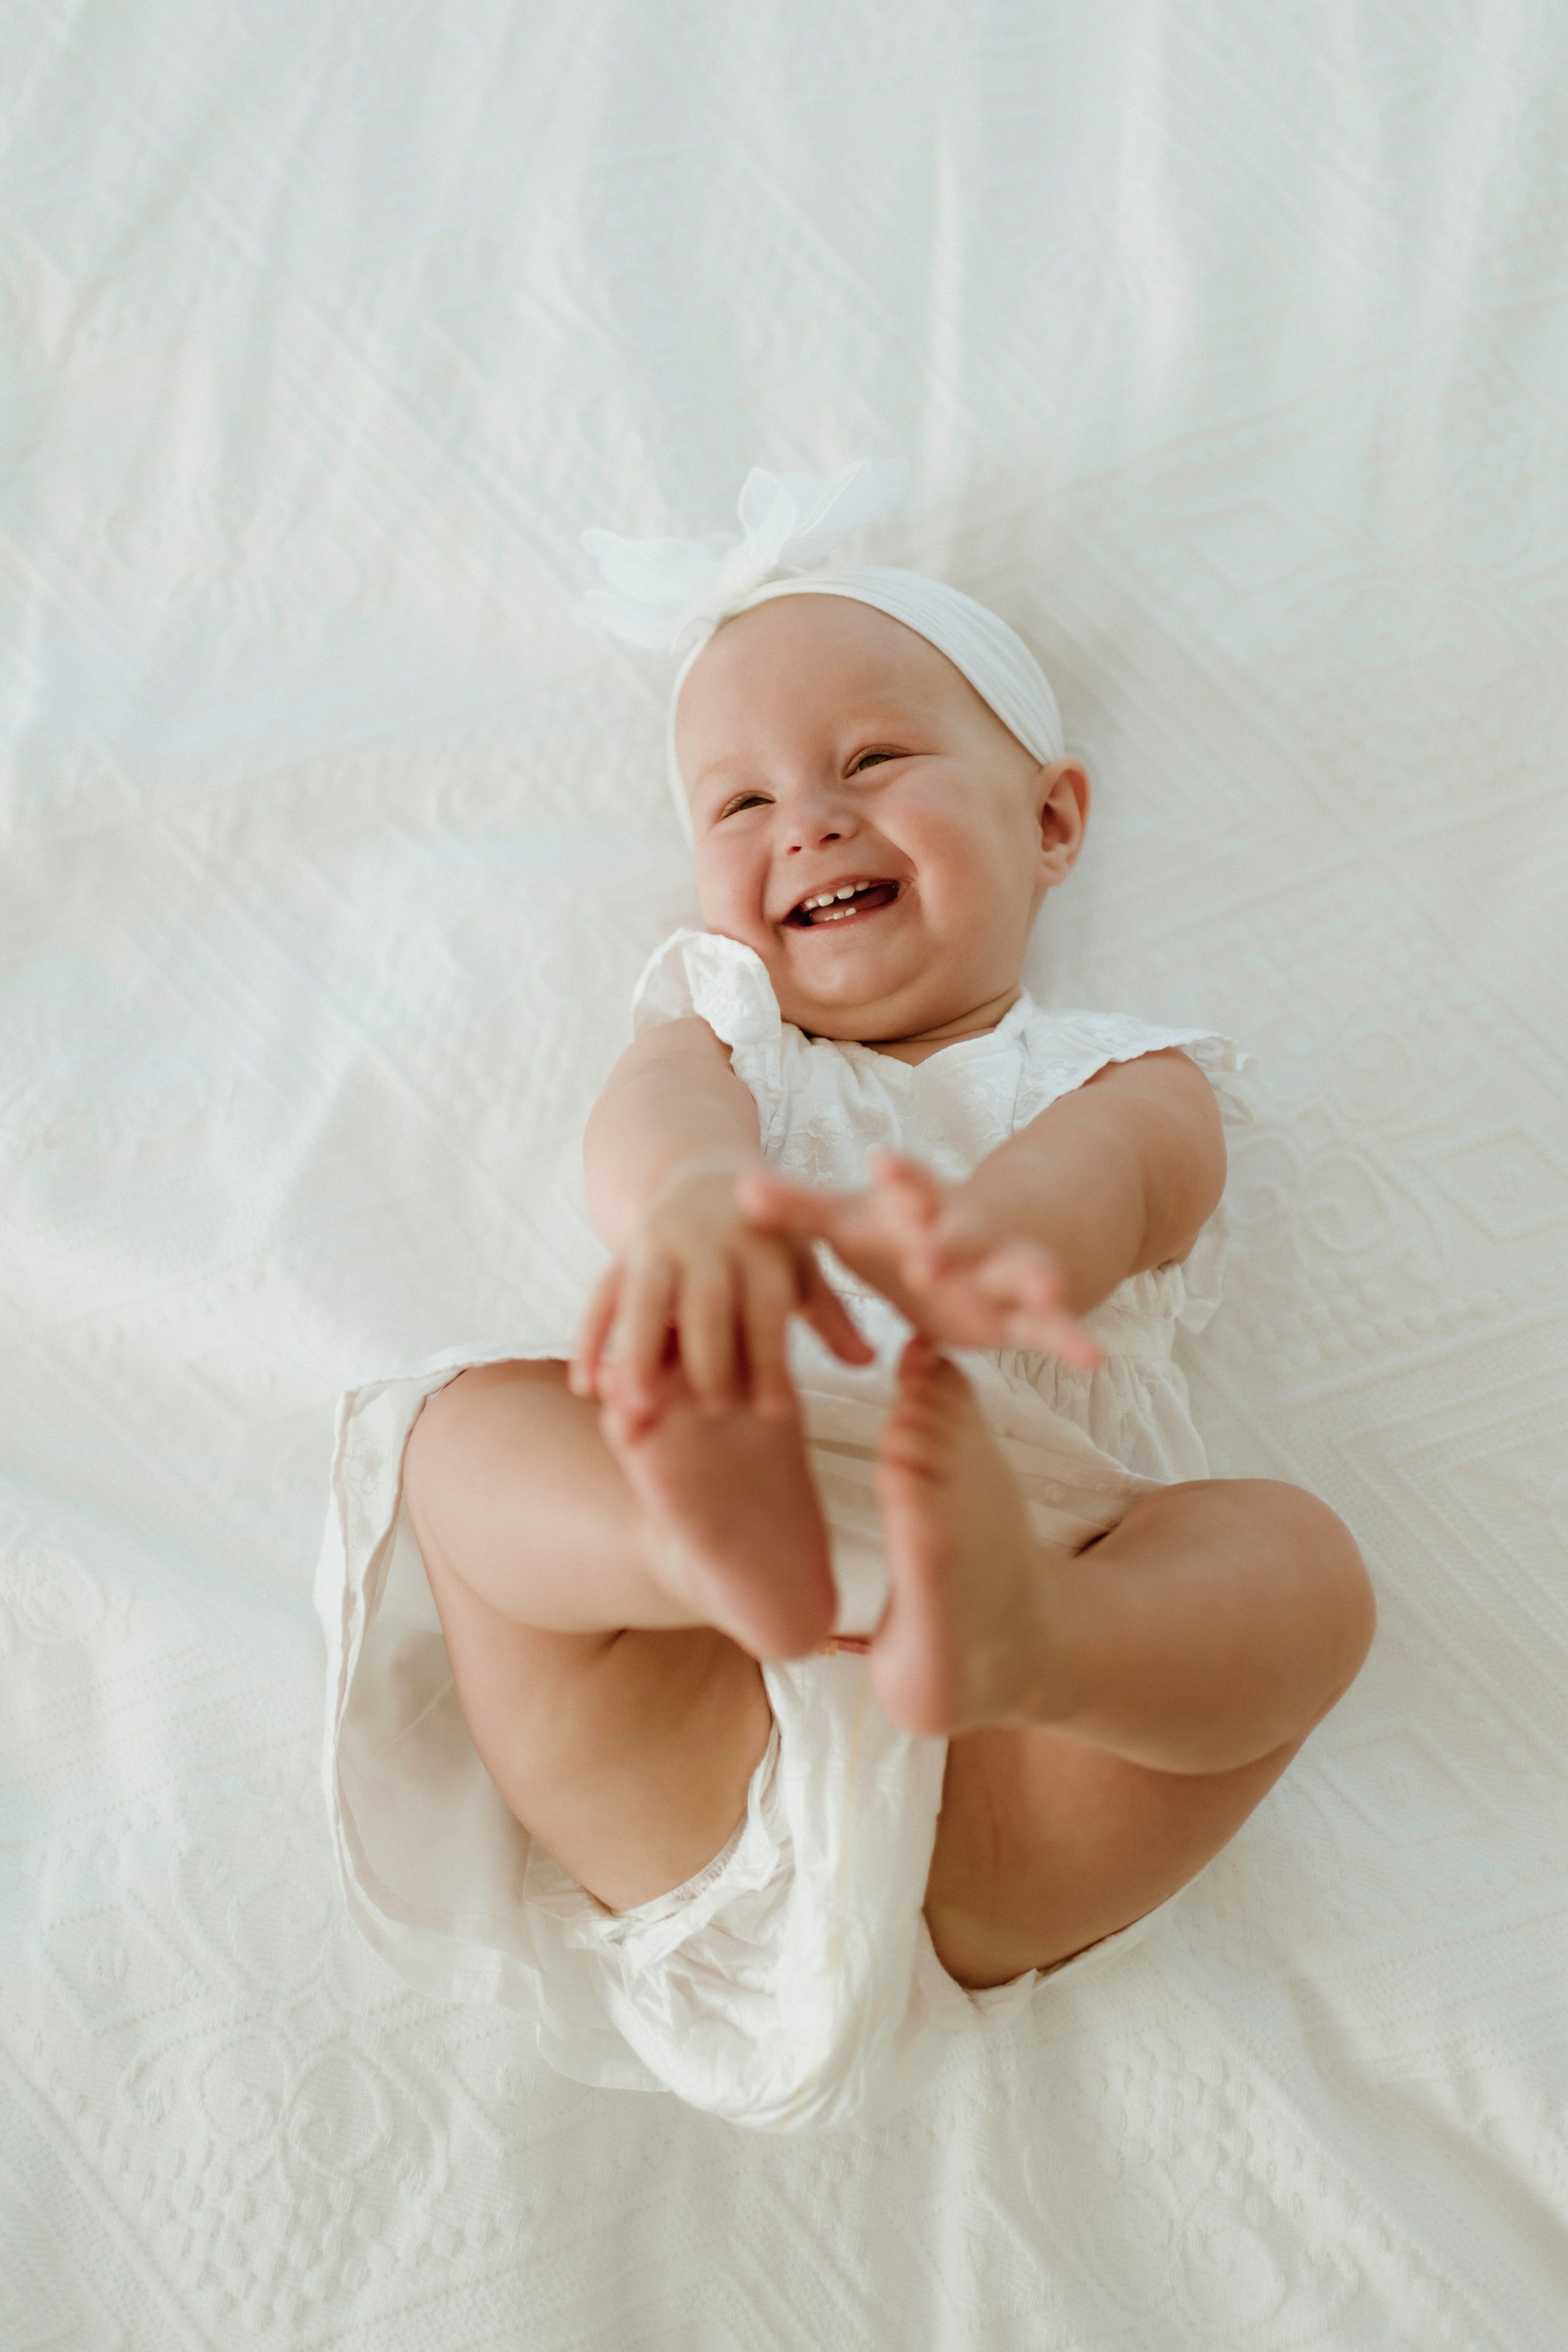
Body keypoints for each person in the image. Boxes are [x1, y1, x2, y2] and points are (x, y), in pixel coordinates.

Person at [318, 462, 1374, 2133]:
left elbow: (1115, 1183)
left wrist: (981, 1249)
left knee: (1303, 1572)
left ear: (1050, 820)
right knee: (454, 1434)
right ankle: (689, 1546)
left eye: (872, 761)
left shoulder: (1127, 1076)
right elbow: (656, 1118)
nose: (805, 818)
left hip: (1009, 1758)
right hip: (688, 1707)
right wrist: (694, 1205)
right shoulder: (733, 1041)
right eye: (736, 807)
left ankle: (1047, 1636)